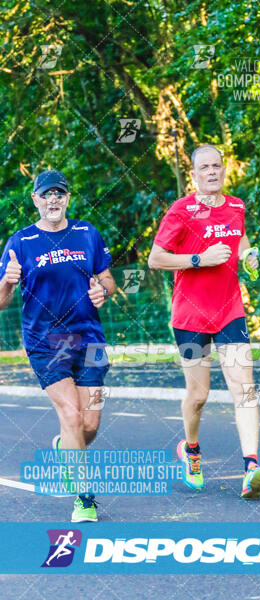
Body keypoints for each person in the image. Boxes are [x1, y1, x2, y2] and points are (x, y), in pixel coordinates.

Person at [148, 145, 260, 499]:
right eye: (205, 167)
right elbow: (156, 259)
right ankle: (190, 449)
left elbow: (242, 240)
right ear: (194, 174)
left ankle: (251, 469)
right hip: (190, 314)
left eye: (217, 166)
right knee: (199, 395)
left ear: (223, 169)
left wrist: (249, 256)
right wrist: (199, 258)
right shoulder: (181, 210)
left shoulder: (236, 206)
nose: (212, 172)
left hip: (230, 310)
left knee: (244, 387)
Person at [0, 170, 116, 521]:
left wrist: (103, 291)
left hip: (89, 339)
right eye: (46, 194)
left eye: (59, 193)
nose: (53, 199)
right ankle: (84, 499)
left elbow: (107, 279)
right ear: (35, 200)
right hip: (46, 342)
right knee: (70, 415)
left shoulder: (87, 233)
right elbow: (1, 301)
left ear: (68, 198)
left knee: (89, 425)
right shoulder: (20, 243)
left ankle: (64, 447)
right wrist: (7, 282)